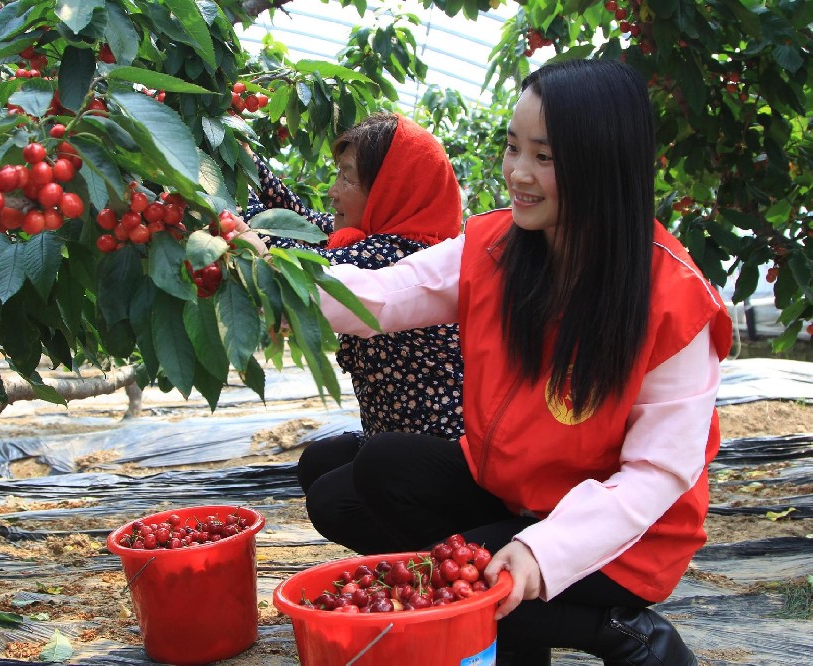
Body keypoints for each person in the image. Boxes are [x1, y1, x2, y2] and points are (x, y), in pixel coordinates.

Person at [257, 59, 731, 665]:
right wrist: (271, 273)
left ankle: (620, 628)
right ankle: (517, 628)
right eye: (512, 149)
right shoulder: (499, 245)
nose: (517, 174)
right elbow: (384, 293)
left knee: (473, 579)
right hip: (516, 494)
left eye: (545, 157)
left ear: (602, 161)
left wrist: (543, 551)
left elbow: (655, 477)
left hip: (626, 536)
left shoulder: (672, 302)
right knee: (379, 468)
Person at [243, 113, 467, 498]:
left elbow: (293, 260)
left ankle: (438, 545)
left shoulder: (398, 254)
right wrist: (246, 161)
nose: (333, 190)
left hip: (440, 455)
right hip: (390, 439)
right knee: (319, 462)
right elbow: (299, 222)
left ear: (389, 189)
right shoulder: (370, 238)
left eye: (347, 177)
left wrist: (218, 203)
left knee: (334, 495)